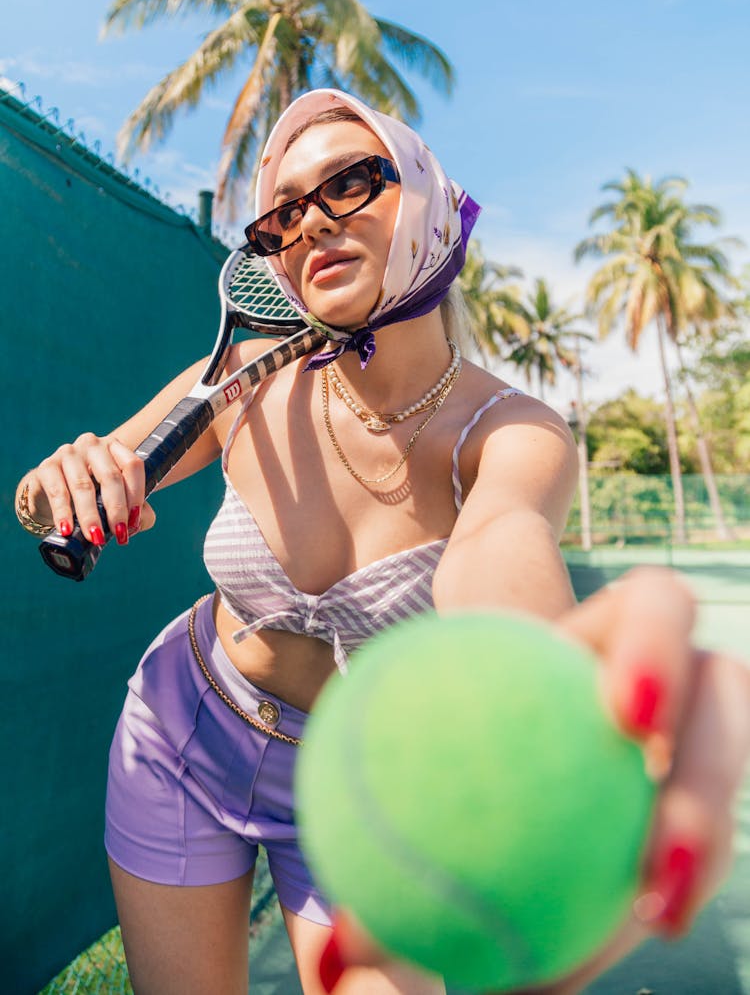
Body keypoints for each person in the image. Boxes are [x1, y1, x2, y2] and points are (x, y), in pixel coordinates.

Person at [15, 89, 750, 995]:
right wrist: (59, 484)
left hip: (357, 785)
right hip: (179, 729)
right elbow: (46, 507)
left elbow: (499, 552)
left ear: (433, 202)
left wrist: (555, 688)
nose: (311, 224)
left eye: (351, 182)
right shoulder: (237, 380)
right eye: (282, 212)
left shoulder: (513, 432)